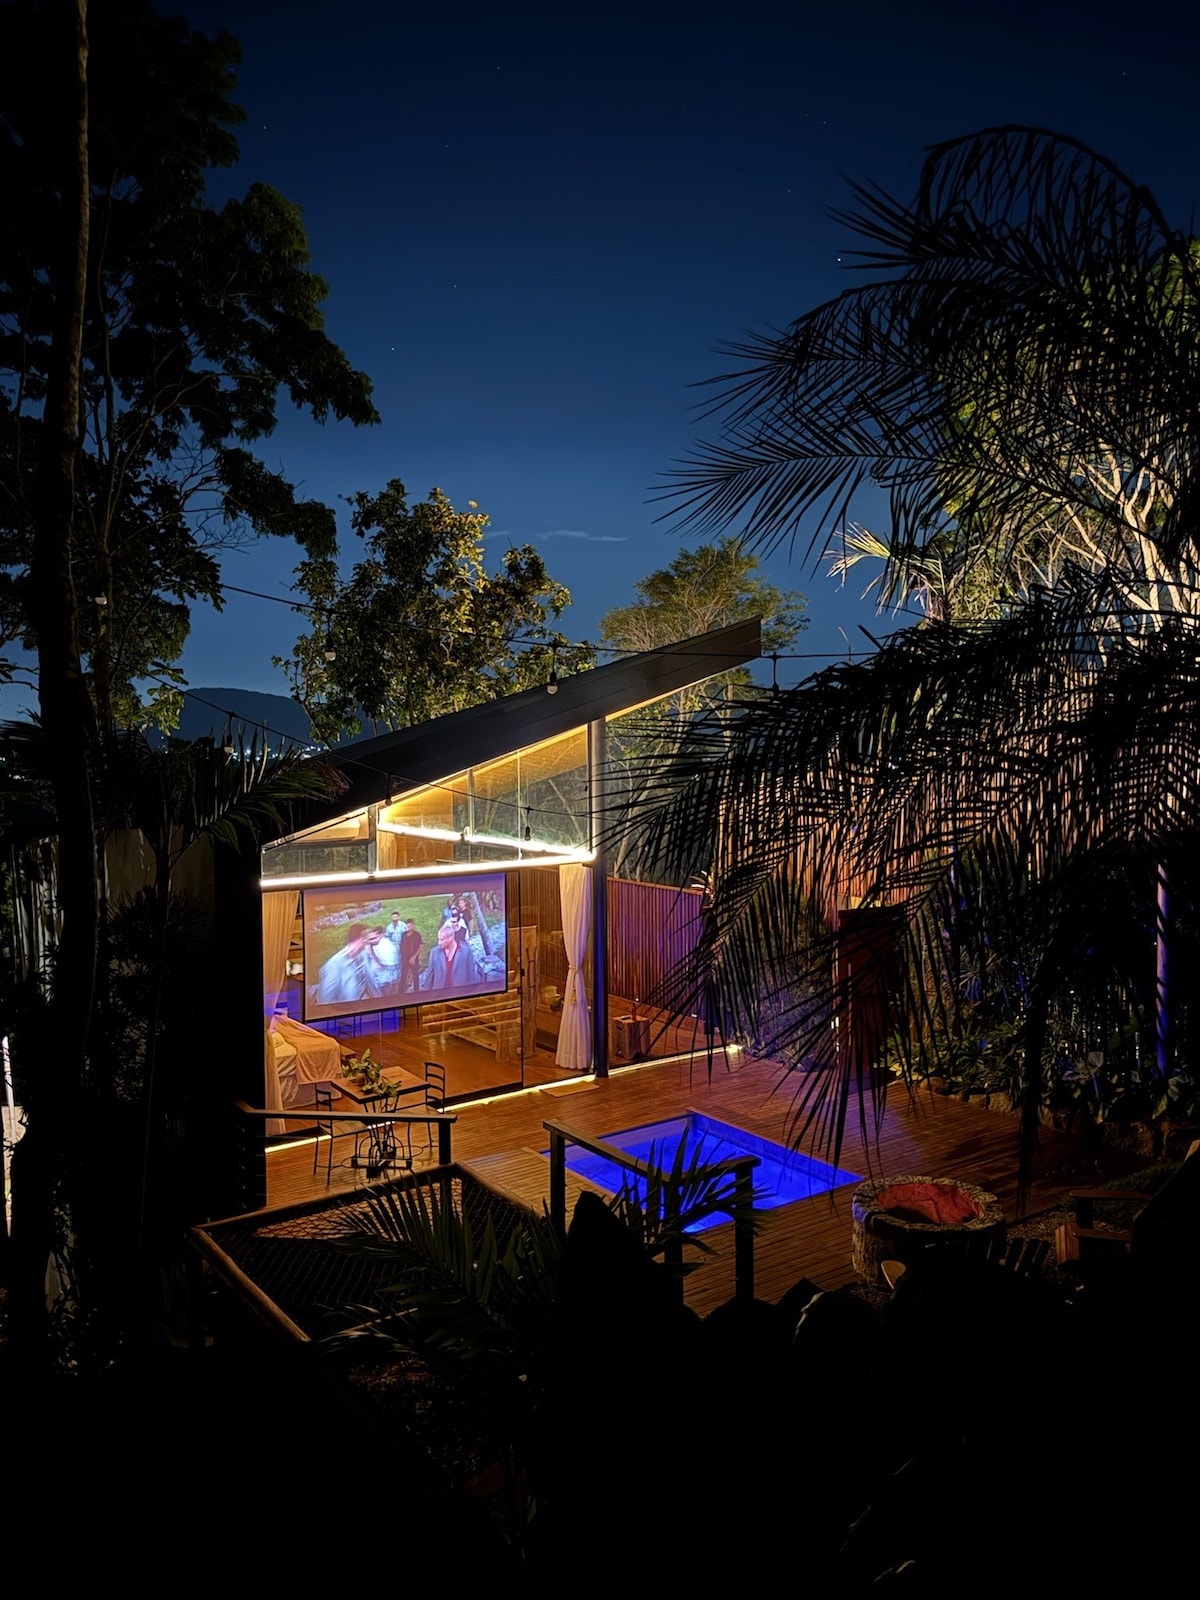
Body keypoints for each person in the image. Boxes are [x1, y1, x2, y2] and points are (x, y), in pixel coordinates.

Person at [316, 923, 388, 1006]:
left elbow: (370, 979)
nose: (366, 942)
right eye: (365, 938)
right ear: (360, 939)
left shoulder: (363, 954)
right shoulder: (333, 966)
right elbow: (325, 1004)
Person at [420, 919, 481, 991]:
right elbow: (429, 976)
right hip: (439, 993)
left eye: (442, 939)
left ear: (450, 938)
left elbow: (472, 975)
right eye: (439, 939)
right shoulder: (434, 952)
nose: (439, 943)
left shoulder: (466, 951)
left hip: (459, 993)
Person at [399, 917, 424, 993]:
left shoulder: (417, 935)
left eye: (410, 926)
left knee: (415, 975)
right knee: (403, 975)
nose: (408, 928)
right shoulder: (403, 935)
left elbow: (421, 945)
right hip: (404, 959)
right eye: (407, 926)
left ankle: (416, 991)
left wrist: (414, 957)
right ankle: (400, 992)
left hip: (413, 959)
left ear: (413, 925)